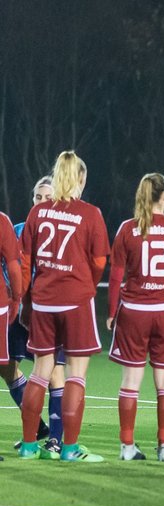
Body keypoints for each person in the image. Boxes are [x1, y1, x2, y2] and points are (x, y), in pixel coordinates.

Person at [16, 151, 110, 462]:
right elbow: (99, 262)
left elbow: (25, 261)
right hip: (75, 301)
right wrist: (85, 282)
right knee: (76, 375)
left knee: (40, 372)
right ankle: (68, 449)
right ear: (80, 179)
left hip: (43, 300)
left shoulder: (38, 213)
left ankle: (30, 446)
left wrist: (27, 300)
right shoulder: (90, 214)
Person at [106, 173, 164, 462]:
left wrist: (111, 312)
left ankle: (127, 446)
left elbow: (116, 276)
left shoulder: (127, 228)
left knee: (131, 381)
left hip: (134, 312)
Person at [3, 176, 58, 451]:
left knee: (52, 372)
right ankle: (36, 429)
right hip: (17, 308)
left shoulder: (60, 231)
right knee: (6, 366)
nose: (41, 202)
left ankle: (57, 439)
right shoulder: (17, 229)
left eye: (48, 198)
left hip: (46, 310)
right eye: (38, 197)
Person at [0, 207, 26, 461]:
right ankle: (38, 429)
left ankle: (41, 430)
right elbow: (13, 264)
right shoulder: (5, 222)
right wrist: (16, 298)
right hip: (1, 304)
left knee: (8, 368)